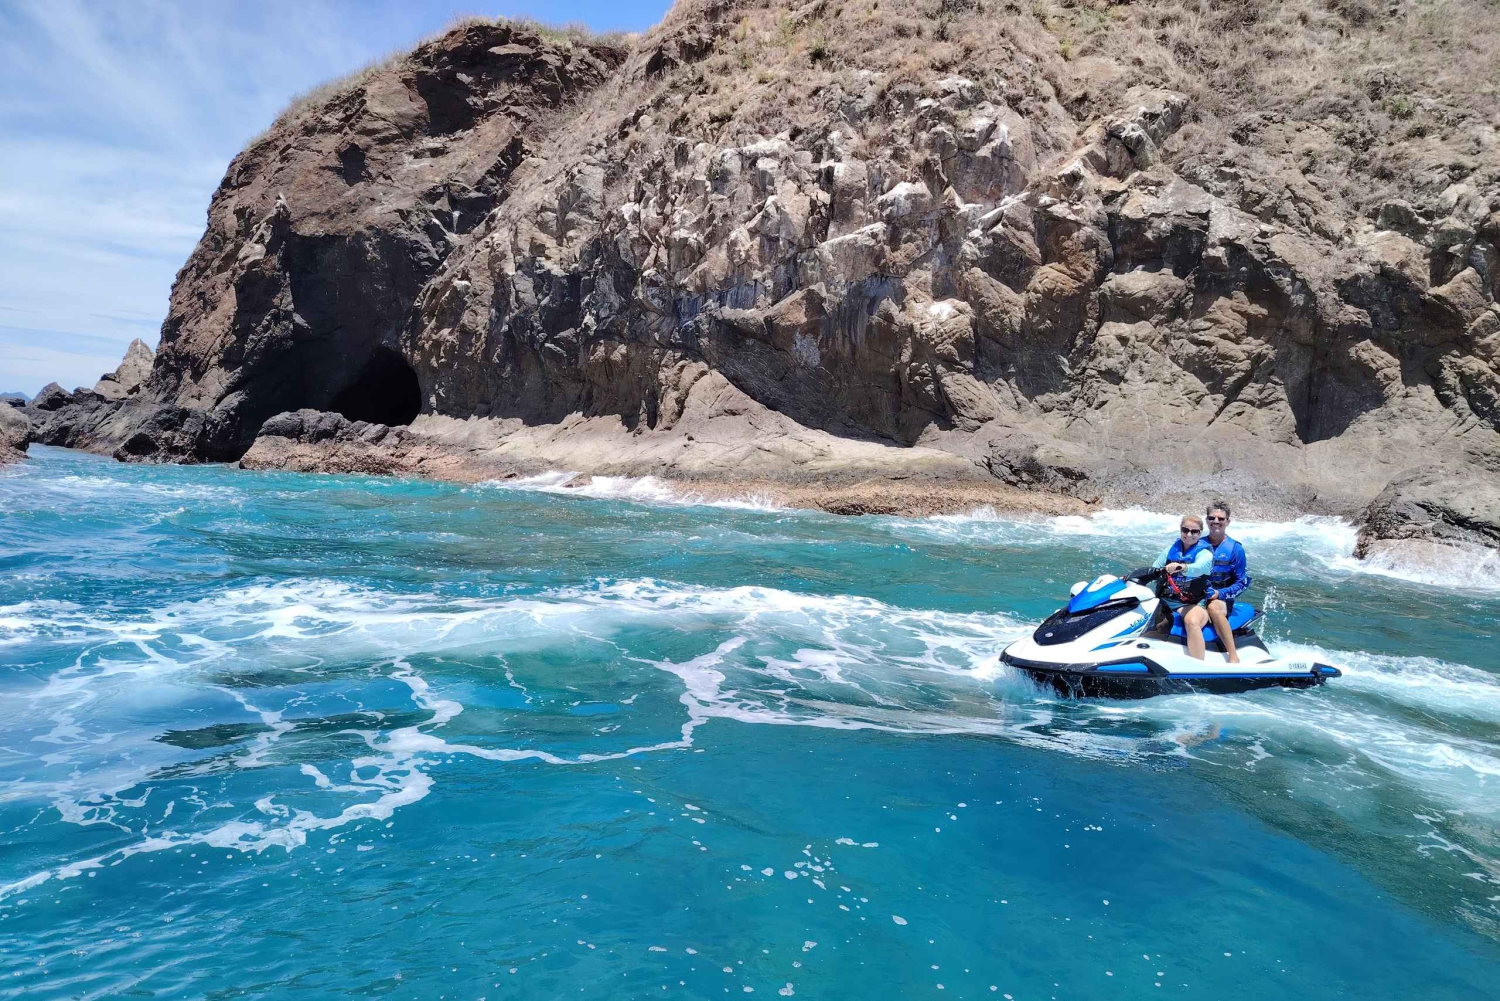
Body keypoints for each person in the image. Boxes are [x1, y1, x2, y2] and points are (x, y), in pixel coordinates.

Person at [1183, 500, 1252, 664]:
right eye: (1212, 518)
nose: (1216, 521)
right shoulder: (1196, 543)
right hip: (1197, 596)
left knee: (1214, 607)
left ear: (1228, 521)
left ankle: (1233, 655)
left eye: (1221, 519)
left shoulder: (1235, 549)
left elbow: (1242, 583)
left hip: (1221, 599)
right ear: (1206, 520)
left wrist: (1219, 593)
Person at [1151, 514, 1213, 659]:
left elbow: (1199, 568)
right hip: (1165, 600)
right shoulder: (1170, 550)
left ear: (1200, 533)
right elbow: (1154, 568)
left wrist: (1183, 567)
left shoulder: (1205, 554)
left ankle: (1198, 664)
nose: (1189, 534)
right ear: (1181, 530)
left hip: (1192, 603)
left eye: (1194, 531)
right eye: (1185, 530)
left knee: (1192, 622)